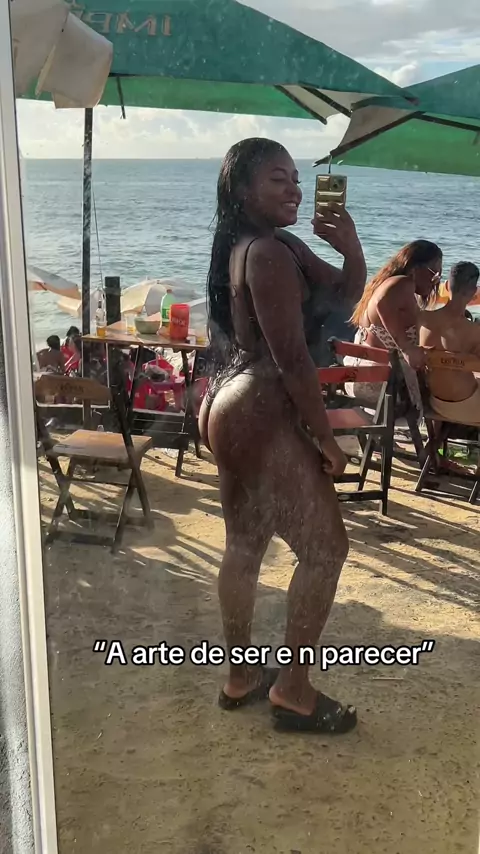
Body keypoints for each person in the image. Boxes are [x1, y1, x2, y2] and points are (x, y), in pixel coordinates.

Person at [199, 137, 366, 734]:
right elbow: (293, 359)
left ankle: (240, 676)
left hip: (231, 403)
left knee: (245, 545)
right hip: (261, 407)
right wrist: (326, 440)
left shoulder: (259, 245)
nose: (294, 189)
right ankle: (293, 690)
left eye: (296, 178)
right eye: (278, 178)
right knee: (326, 550)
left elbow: (345, 297)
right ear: (243, 190)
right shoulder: (269, 252)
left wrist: (351, 248)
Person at [344, 240, 443, 411]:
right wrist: (406, 348)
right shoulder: (403, 283)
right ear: (415, 267)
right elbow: (382, 303)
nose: (435, 281)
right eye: (434, 274)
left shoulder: (388, 285)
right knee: (451, 391)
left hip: (360, 379)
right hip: (384, 388)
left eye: (439, 277)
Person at [419, 261, 480, 424]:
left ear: (446, 286)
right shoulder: (474, 331)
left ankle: (438, 437)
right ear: (474, 291)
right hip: (467, 406)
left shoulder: (423, 319)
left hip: (435, 402)